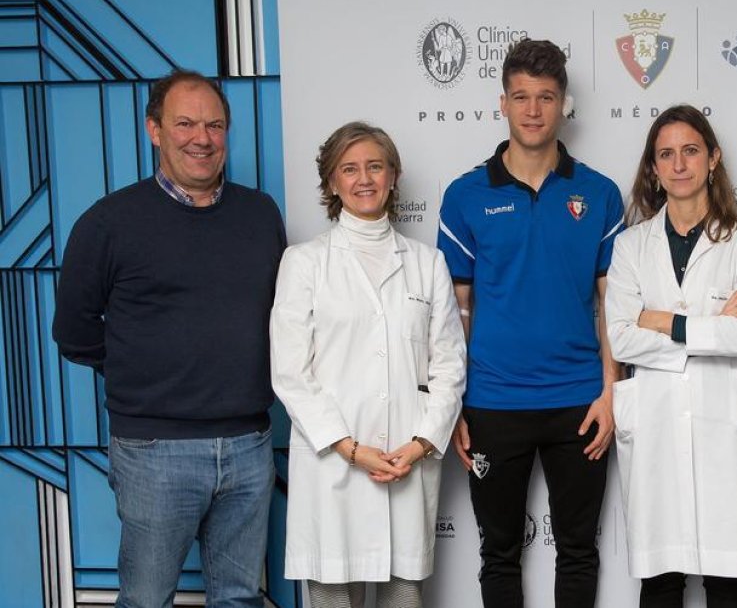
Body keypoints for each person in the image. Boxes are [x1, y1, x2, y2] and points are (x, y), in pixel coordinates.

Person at [52, 70, 286, 606]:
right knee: (146, 599)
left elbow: (283, 317)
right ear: (154, 130)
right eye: (184, 123)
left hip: (250, 443)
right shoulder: (110, 222)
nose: (201, 138)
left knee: (239, 599)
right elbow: (74, 332)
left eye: (214, 125)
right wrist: (147, 373)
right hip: (155, 450)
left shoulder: (260, 213)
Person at [436, 38, 624, 608]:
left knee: (578, 550)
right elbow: (453, 315)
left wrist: (612, 391)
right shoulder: (464, 196)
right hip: (493, 403)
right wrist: (457, 402)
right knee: (498, 553)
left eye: (546, 96)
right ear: (503, 103)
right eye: (522, 97)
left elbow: (612, 305)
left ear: (564, 102)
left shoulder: (599, 193)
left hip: (580, 401)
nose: (534, 110)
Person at [270, 122, 466, 607]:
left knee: (404, 594)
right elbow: (291, 373)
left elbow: (449, 366)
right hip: (334, 465)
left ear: (393, 176)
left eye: (375, 167)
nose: (364, 179)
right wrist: (352, 449)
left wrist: (420, 444)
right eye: (350, 169)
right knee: (333, 594)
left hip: (406, 459)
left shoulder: (426, 264)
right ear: (331, 182)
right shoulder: (304, 263)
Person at [606, 105, 737, 607]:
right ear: (653, 168)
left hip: (723, 420)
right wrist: (710, 326)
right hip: (656, 420)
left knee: (726, 580)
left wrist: (666, 321)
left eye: (691, 151)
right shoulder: (632, 246)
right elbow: (621, 338)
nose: (679, 164)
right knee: (660, 581)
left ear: (713, 158)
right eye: (666, 154)